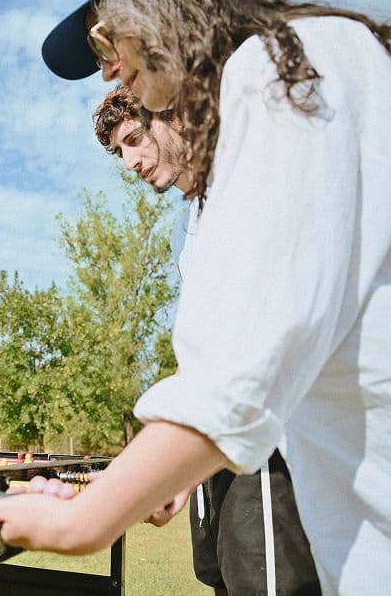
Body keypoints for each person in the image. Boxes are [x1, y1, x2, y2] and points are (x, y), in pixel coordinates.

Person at [0, 0, 391, 594]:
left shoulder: (281, 61)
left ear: (162, 3)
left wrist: (84, 521)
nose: (107, 68)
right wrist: (157, 478)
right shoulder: (272, 89)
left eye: (104, 40)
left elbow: (244, 366)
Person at [94, 85, 320, 595]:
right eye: (120, 152)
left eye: (135, 139)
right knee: (219, 576)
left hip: (264, 443)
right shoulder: (185, 227)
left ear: (173, 116)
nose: (131, 162)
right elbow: (199, 357)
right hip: (212, 444)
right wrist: (175, 469)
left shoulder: (247, 187)